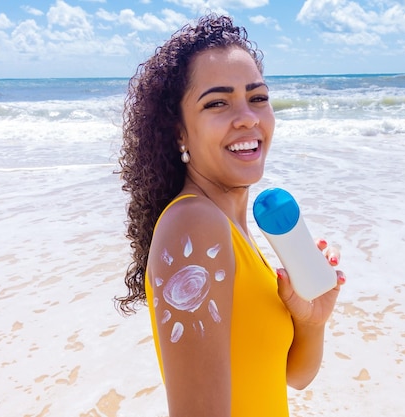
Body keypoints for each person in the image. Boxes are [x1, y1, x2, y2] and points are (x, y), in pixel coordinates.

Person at [115, 14, 345, 417]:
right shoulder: (195, 227)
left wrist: (310, 320)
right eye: (217, 102)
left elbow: (291, 375)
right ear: (178, 132)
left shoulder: (231, 228)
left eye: (257, 97)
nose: (248, 117)